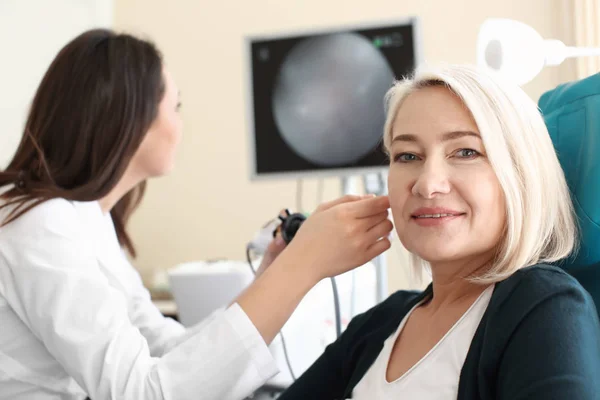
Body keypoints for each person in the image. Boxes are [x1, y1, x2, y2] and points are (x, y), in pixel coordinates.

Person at [0, 29, 394, 400]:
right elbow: (143, 392)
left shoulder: (88, 222)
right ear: (132, 121)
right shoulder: (41, 226)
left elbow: (167, 348)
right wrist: (303, 267)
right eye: (177, 106)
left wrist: (270, 283)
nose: (180, 124)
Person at [277, 64, 600, 400]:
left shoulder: (543, 307)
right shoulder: (376, 327)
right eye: (408, 155)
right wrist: (297, 267)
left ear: (521, 175)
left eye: (465, 152)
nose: (428, 184)